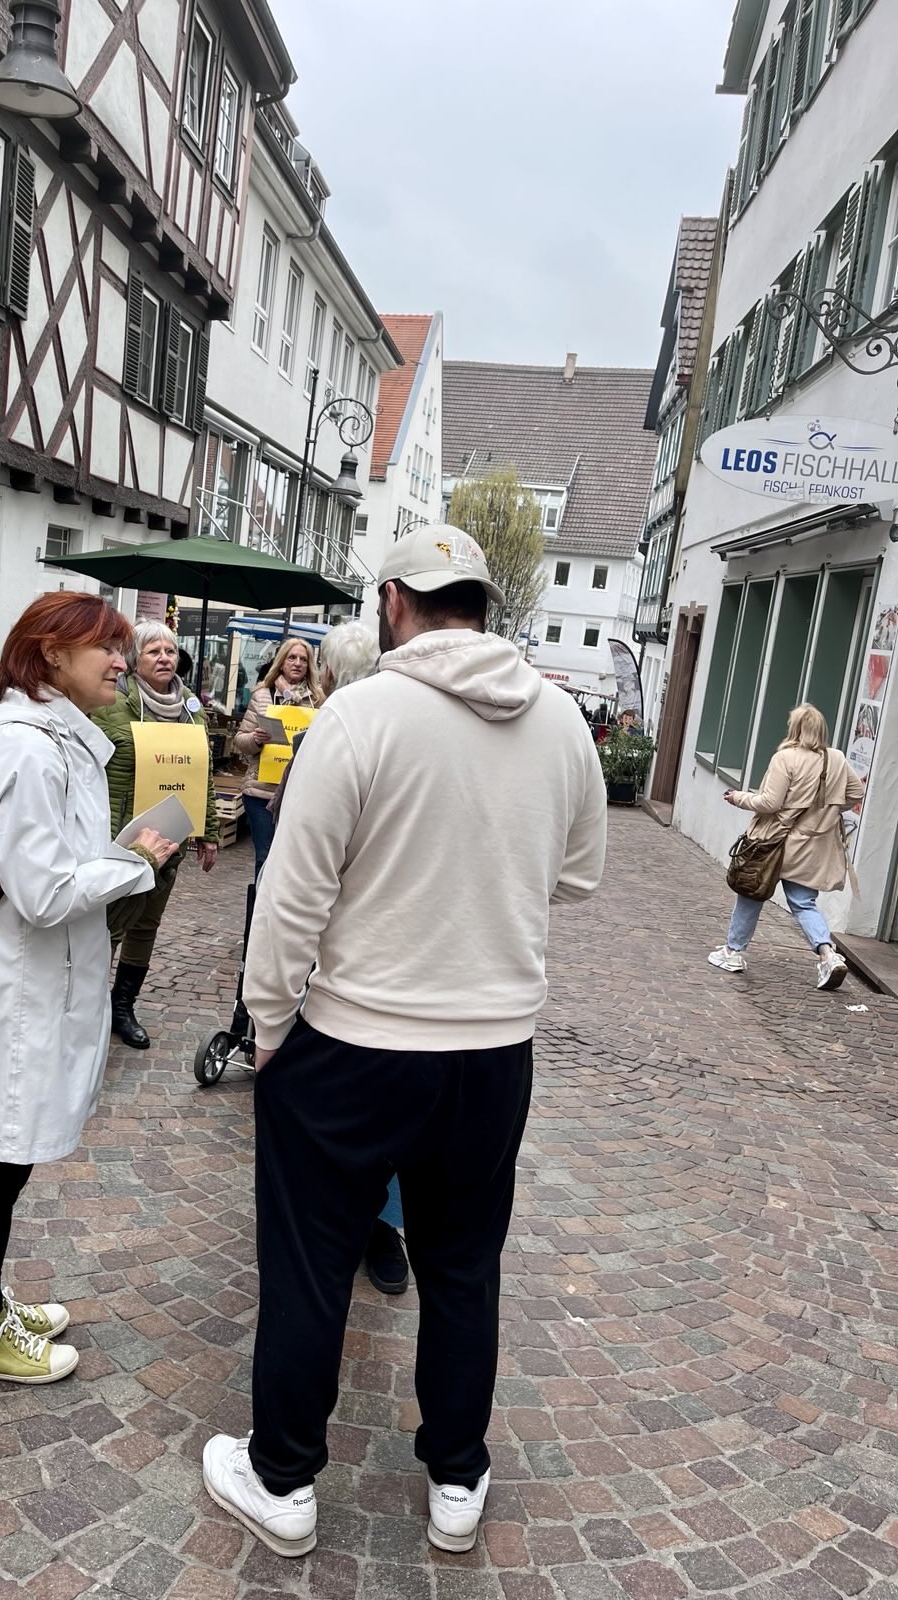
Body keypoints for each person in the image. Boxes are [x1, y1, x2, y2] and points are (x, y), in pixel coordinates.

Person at [202, 524, 607, 1558]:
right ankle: (458, 1475)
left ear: (392, 601)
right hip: (493, 1047)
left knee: (310, 1262)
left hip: (358, 1036)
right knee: (463, 1266)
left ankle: (283, 1477)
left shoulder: (362, 713)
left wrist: (269, 1024)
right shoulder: (560, 719)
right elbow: (577, 878)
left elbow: (291, 894)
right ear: (482, 601)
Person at [0, 593, 178, 1384]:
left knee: (4, 1156)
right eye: (107, 648)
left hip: (29, 979)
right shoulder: (26, 749)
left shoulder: (46, 737)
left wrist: (117, 854)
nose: (122, 662)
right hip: (19, 988)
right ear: (51, 653)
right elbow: (45, 891)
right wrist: (136, 861)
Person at [270, 622, 409, 1298]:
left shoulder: (368, 727)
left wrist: (267, 1009)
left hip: (354, 954)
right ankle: (375, 1225)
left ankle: (369, 1225)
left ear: (325, 673)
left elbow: (290, 869)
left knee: (343, 1102)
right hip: (360, 951)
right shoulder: (341, 730)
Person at [93, 621, 220, 1049]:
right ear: (134, 660)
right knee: (110, 925)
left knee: (146, 924)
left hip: (170, 839)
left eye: (170, 650)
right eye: (154, 651)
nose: (165, 658)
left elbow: (202, 773)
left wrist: (208, 831)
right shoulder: (112, 703)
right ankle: (89, 1007)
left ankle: (122, 1007)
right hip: (123, 836)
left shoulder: (191, 708)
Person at [708, 703, 862, 990]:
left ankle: (733, 952)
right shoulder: (836, 758)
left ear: (795, 728)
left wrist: (738, 797)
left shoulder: (785, 758)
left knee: (752, 893)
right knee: (803, 902)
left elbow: (770, 802)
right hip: (812, 847)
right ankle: (828, 955)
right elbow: (856, 792)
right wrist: (827, 812)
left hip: (776, 841)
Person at [233, 636, 323, 875]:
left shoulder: (316, 701)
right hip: (261, 792)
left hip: (297, 792)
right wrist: (255, 739)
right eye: (292, 657)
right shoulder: (262, 696)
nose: (297, 663)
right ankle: (259, 900)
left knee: (290, 860)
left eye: (303, 659)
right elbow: (240, 741)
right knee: (265, 857)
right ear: (281, 662)